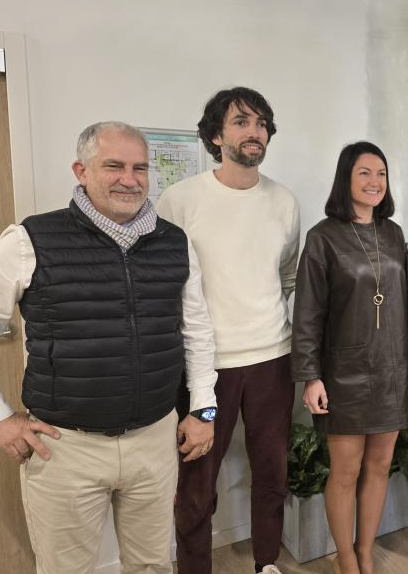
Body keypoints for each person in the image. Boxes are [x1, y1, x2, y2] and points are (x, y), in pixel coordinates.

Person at [0, 121, 217, 574]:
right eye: (114, 166)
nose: (130, 178)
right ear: (81, 171)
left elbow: (197, 332)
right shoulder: (30, 240)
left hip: (155, 440)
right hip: (64, 448)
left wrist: (204, 409)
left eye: (140, 167)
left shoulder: (174, 243)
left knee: (154, 566)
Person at [157, 87, 300, 574]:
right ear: (217, 136)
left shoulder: (283, 201)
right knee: (197, 485)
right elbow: (167, 284)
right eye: (241, 122)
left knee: (271, 475)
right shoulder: (180, 200)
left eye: (261, 123)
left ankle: (266, 563)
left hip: (272, 361)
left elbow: (286, 276)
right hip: (205, 366)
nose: (254, 131)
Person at [291, 141, 408, 574]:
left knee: (380, 465)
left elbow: (403, 300)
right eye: (364, 172)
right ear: (346, 178)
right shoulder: (322, 236)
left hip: (389, 368)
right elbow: (308, 312)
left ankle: (365, 550)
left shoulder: (393, 232)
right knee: (345, 472)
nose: (374, 182)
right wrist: (310, 376)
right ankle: (344, 557)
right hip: (343, 371)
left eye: (381, 173)